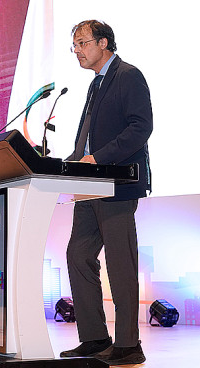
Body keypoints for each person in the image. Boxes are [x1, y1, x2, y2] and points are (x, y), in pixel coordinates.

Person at [59, 20, 152, 366]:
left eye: (83, 43)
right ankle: (96, 337)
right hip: (88, 187)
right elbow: (86, 140)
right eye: (75, 45)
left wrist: (97, 158)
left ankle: (128, 345)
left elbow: (141, 128)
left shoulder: (128, 76)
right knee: (77, 255)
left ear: (104, 43)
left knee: (120, 263)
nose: (78, 51)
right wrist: (65, 166)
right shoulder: (94, 85)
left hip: (116, 185)